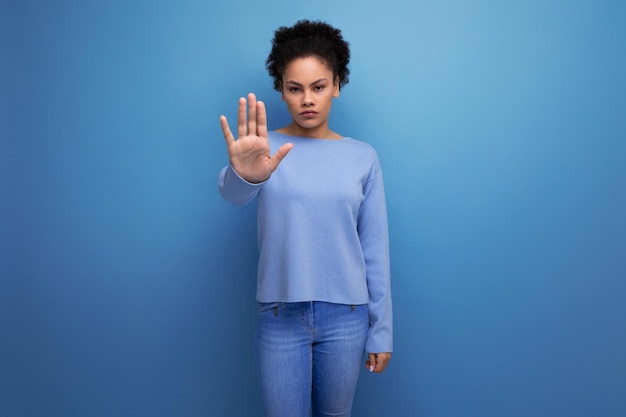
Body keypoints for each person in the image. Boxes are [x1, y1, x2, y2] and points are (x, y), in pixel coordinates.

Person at [217, 19, 392, 417]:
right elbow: (232, 193)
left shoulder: (362, 157)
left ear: (336, 85)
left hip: (347, 317)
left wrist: (381, 330)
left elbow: (375, 249)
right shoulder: (264, 146)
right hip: (281, 314)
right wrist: (247, 172)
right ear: (281, 89)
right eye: (295, 88)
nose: (307, 99)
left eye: (318, 86)